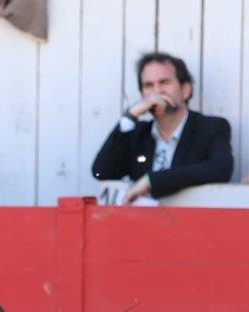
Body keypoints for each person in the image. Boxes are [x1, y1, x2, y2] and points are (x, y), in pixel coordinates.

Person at [91, 52, 233, 206]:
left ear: (185, 90)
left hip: (191, 224)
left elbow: (221, 169)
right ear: (142, 94)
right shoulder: (137, 133)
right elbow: (102, 172)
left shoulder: (210, 127)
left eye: (164, 82)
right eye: (148, 85)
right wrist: (129, 117)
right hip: (142, 225)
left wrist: (151, 181)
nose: (156, 92)